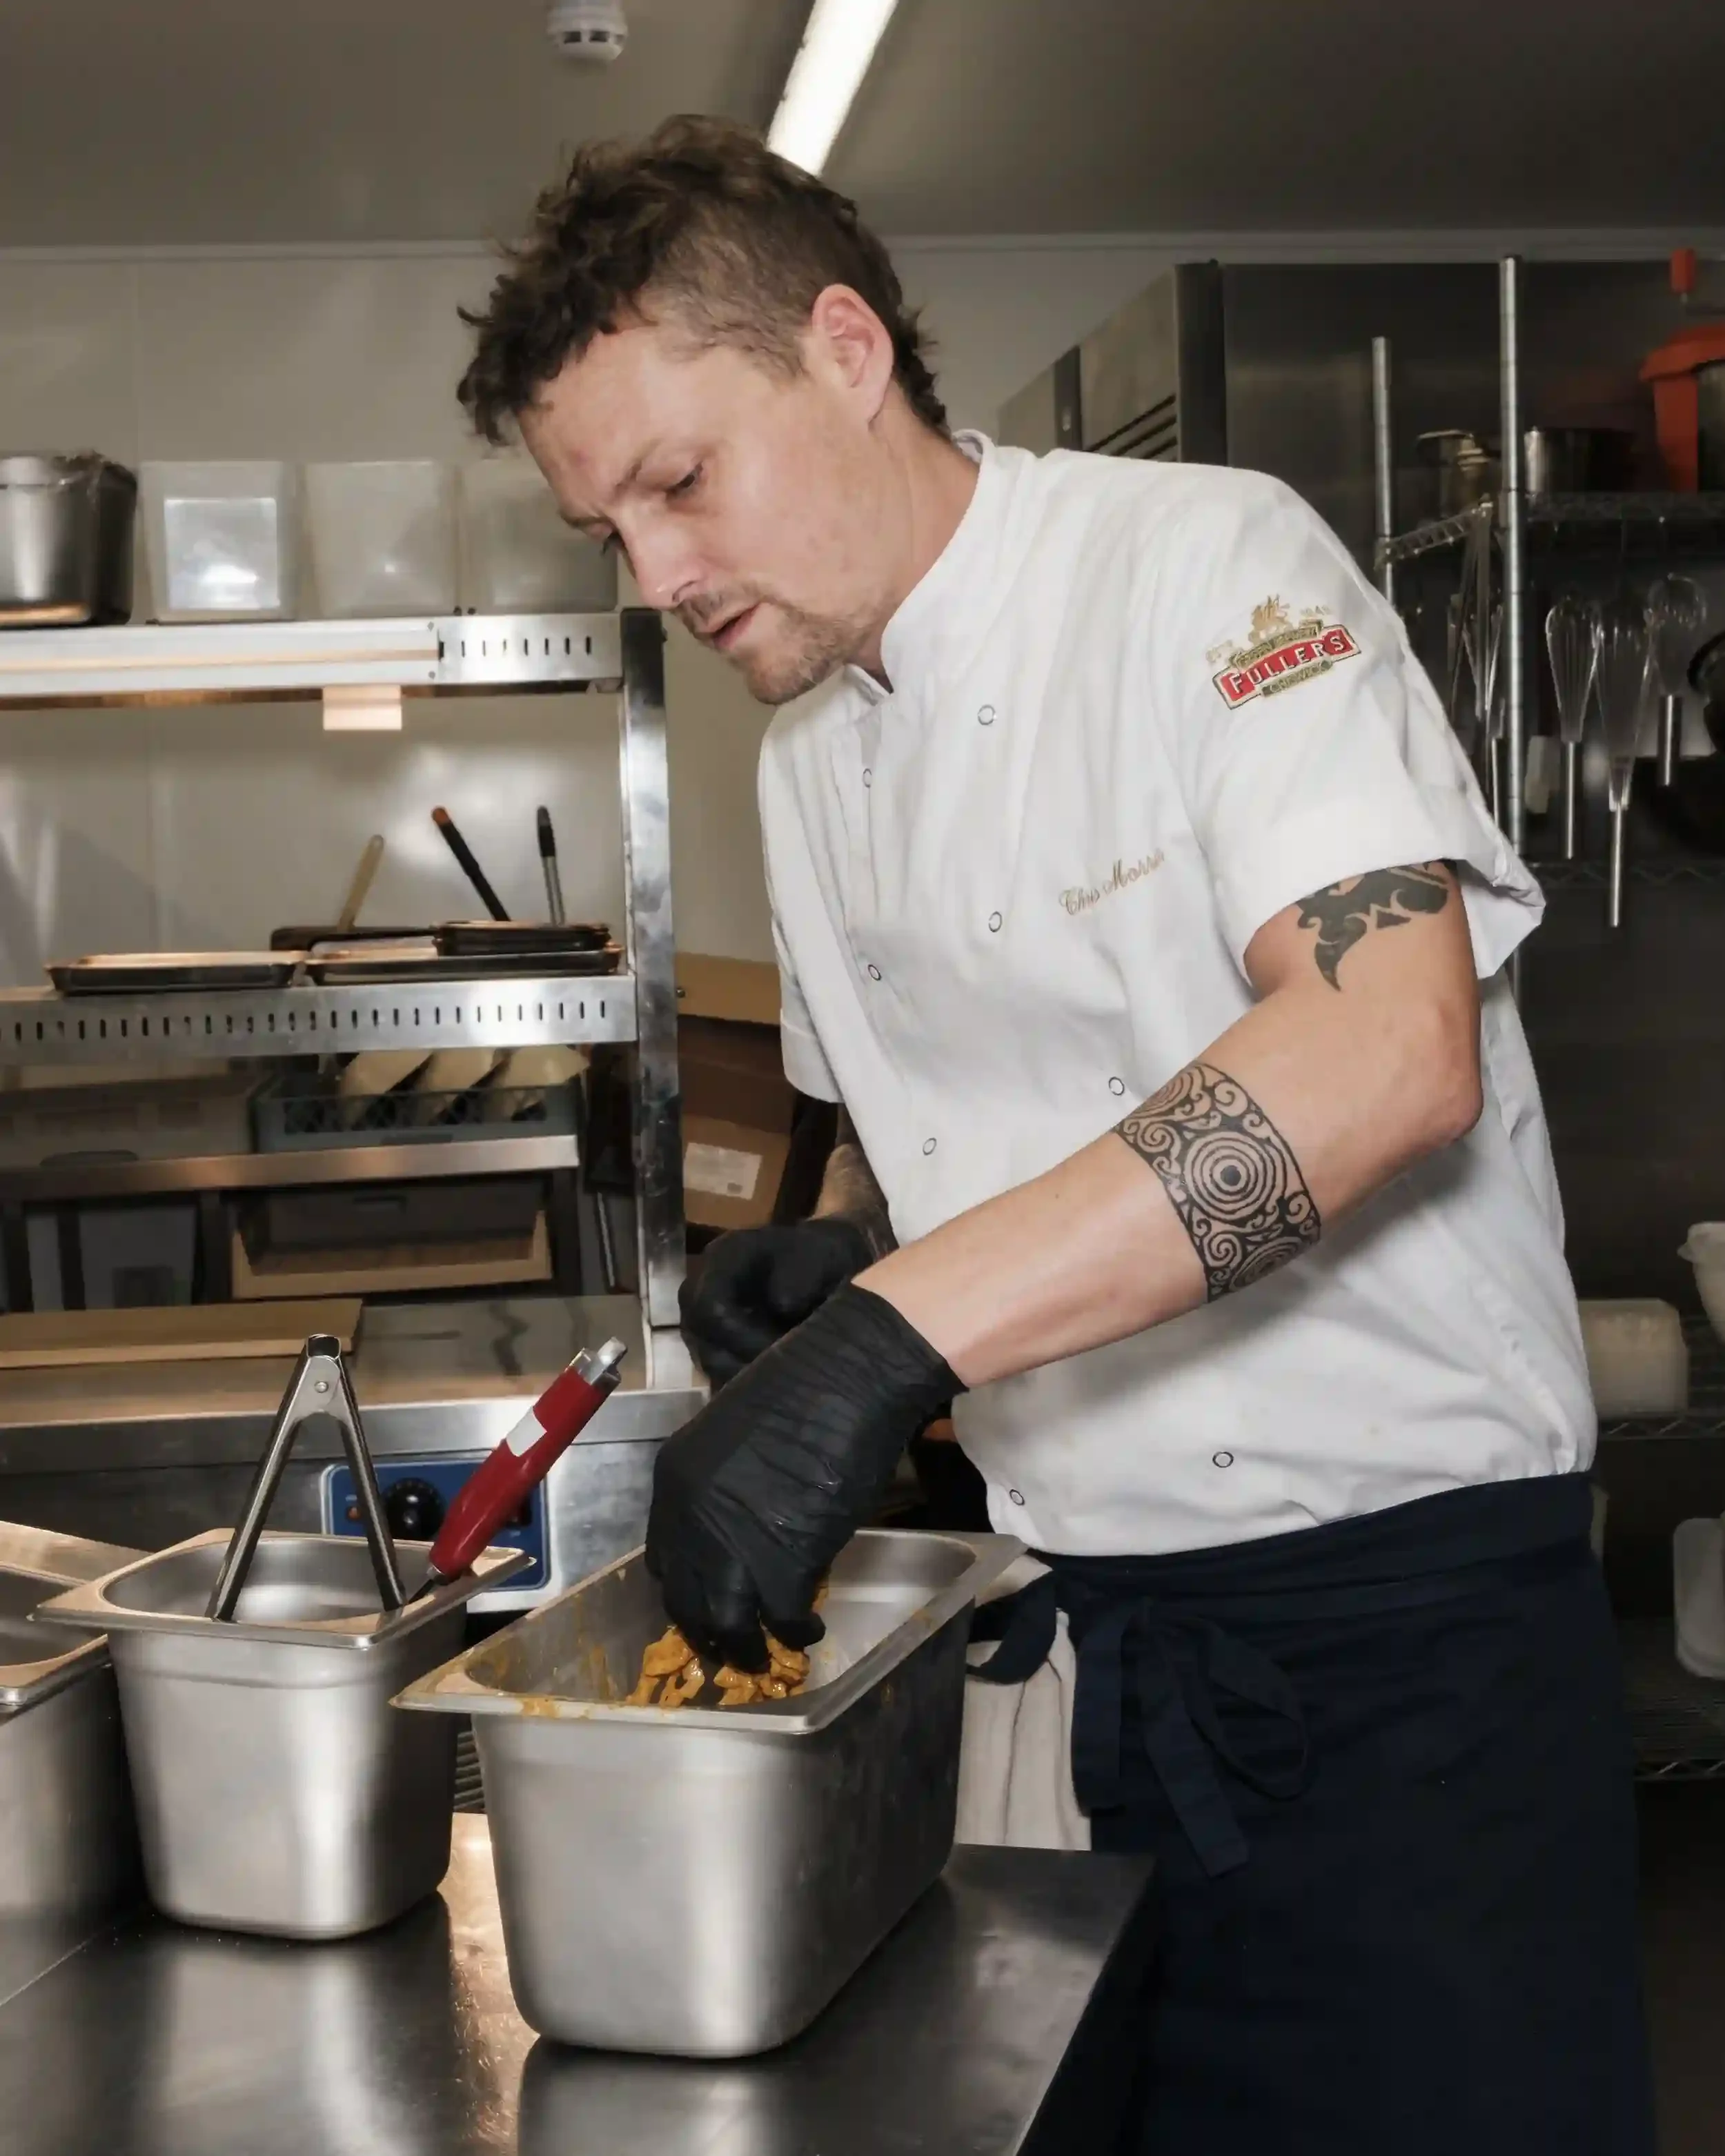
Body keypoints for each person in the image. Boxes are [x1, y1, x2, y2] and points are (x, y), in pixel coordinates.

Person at [457, 116, 1654, 2155]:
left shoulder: (1204, 567)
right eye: (607, 535)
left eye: (677, 481)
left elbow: (1383, 1051)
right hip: (1078, 1659)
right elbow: (922, 1139)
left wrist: (893, 1336)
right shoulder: (815, 751)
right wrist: (844, 1253)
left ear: (844, 351)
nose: (656, 575)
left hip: (1398, 1668)